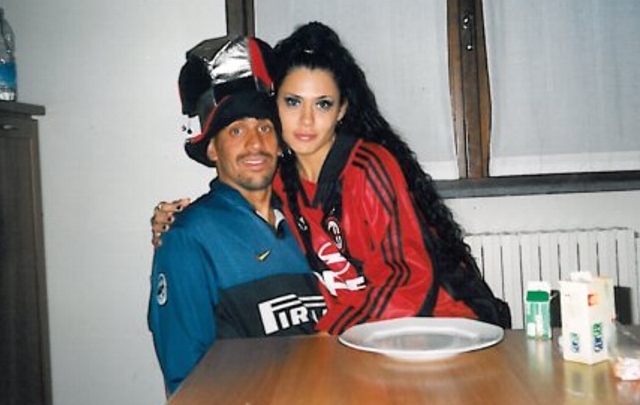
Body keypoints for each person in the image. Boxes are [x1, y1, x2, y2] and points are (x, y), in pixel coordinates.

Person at [152, 22, 511, 335]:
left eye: (322, 104)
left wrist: (328, 336)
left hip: (442, 324)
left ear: (341, 110)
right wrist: (175, 224)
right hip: (370, 338)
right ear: (276, 106)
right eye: (293, 102)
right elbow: (236, 200)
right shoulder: (281, 182)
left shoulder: (367, 168)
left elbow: (407, 281)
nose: (306, 121)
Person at [148, 36, 326, 395]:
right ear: (212, 148)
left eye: (265, 127)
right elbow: (187, 380)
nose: (255, 143)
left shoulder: (313, 219)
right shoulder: (188, 239)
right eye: (236, 130)